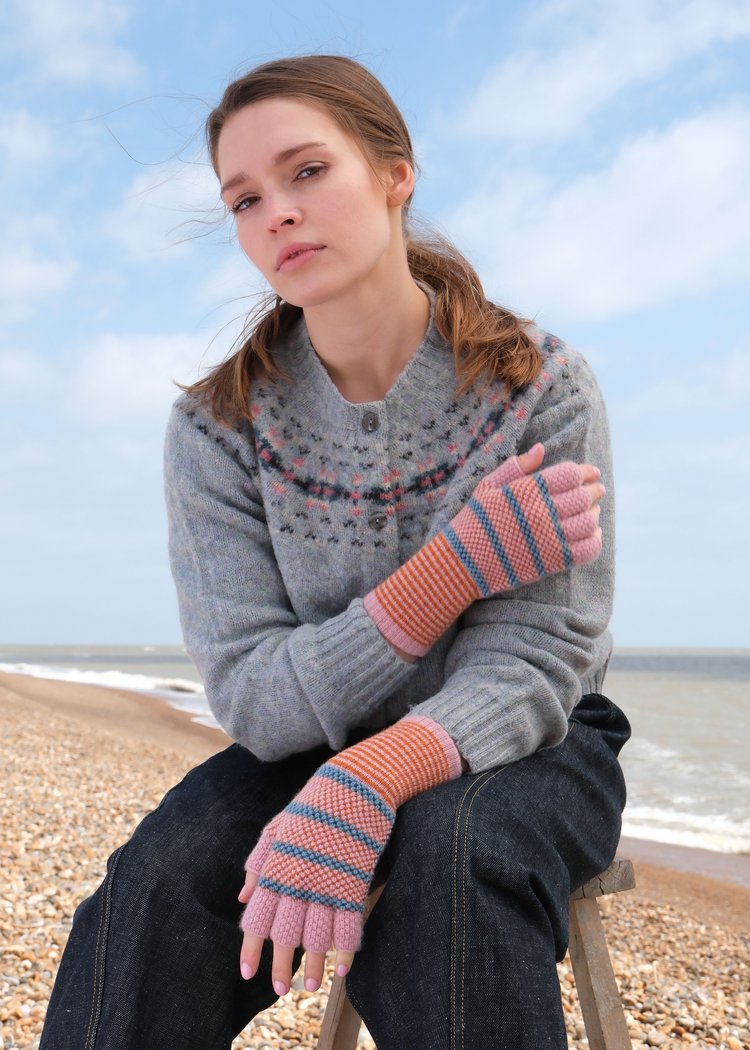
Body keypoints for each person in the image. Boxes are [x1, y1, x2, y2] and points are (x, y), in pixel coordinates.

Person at [40, 54, 630, 1050]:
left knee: (452, 866)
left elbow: (536, 663)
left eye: (307, 171)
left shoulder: (537, 387)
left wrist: (369, 779)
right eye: (244, 198)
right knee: (153, 890)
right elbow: (258, 700)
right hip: (309, 738)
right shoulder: (218, 428)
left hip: (536, 736)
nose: (276, 212)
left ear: (395, 173)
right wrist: (455, 568)